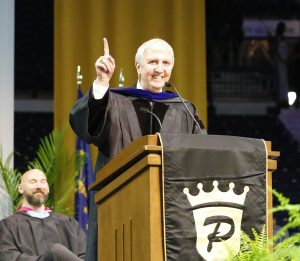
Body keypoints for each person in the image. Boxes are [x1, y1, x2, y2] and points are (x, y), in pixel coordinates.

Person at [69, 37, 206, 261]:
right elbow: (90, 128)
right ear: (138, 66)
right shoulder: (114, 102)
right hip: (119, 207)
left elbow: (201, 154)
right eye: (153, 62)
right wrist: (102, 83)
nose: (159, 69)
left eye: (166, 63)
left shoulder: (184, 110)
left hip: (169, 209)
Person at [0, 169, 86, 261]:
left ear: (48, 188)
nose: (39, 186)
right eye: (33, 181)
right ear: (21, 188)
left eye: (43, 181)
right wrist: (48, 258)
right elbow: (8, 256)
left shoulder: (68, 223)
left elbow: (85, 255)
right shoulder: (8, 226)